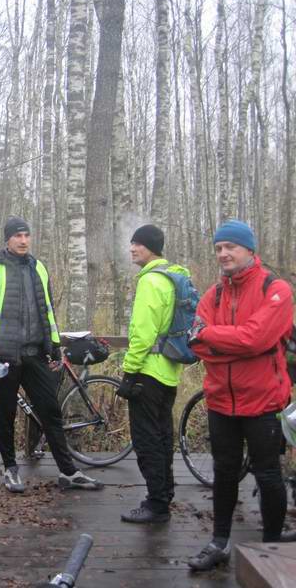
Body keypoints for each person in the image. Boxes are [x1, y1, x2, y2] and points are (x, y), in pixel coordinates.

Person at [187, 220, 296, 571]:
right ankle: (219, 542)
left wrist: (219, 339)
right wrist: (238, 344)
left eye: (230, 247)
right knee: (224, 473)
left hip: (263, 401)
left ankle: (271, 549)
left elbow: (258, 338)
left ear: (250, 250)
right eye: (218, 248)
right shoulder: (211, 295)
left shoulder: (275, 289)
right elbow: (197, 343)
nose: (223, 254)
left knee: (268, 475)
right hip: (220, 400)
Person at [0, 216, 101, 493]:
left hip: (35, 355)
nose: (23, 240)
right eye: (17, 236)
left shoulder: (39, 268)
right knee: (5, 414)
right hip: (5, 357)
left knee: (51, 411)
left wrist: (53, 345)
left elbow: (48, 311)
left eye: (26, 235)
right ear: (7, 239)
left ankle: (68, 471)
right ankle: (10, 469)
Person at [117, 224, 189, 523]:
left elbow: (143, 335)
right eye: (132, 243)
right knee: (162, 437)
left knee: (147, 440)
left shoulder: (150, 281)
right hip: (168, 371)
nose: (132, 248)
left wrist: (129, 372)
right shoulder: (176, 276)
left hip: (147, 373)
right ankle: (164, 493)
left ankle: (156, 504)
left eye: (138, 244)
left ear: (151, 248)